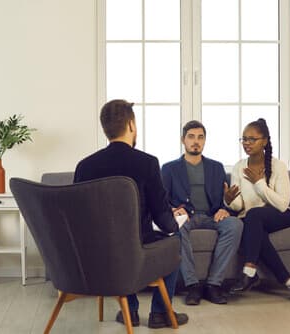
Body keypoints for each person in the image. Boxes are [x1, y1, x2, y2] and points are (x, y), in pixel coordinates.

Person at [74, 99, 189, 328]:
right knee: (175, 240)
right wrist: (175, 225)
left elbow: (79, 217)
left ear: (106, 129)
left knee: (119, 245)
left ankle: (131, 310)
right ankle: (159, 313)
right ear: (131, 125)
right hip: (138, 247)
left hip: (99, 253)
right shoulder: (147, 163)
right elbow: (161, 218)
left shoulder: (84, 166)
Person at [224, 118, 290, 304]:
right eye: (244, 139)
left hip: (279, 216)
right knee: (256, 230)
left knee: (254, 215)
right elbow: (240, 206)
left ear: (264, 141)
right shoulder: (239, 167)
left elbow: (282, 204)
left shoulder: (278, 166)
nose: (246, 143)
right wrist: (229, 201)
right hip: (251, 221)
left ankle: (248, 271)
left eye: (252, 139)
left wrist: (259, 184)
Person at [161, 121, 243, 305]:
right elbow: (161, 200)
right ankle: (192, 286)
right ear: (183, 140)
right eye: (191, 137)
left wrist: (224, 208)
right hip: (185, 216)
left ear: (205, 141)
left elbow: (226, 198)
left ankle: (213, 284)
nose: (196, 141)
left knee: (236, 225)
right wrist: (174, 209)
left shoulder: (216, 167)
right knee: (177, 226)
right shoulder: (169, 168)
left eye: (200, 137)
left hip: (212, 215)